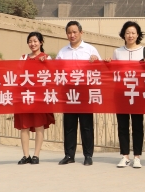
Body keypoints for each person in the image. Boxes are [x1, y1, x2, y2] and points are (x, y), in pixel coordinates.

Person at [56, 21, 101, 166]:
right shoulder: (62, 52)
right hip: (68, 93)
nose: (72, 35)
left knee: (86, 125)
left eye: (75, 32)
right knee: (69, 125)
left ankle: (88, 155)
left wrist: (96, 61)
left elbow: (100, 70)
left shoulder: (90, 49)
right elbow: (55, 70)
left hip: (85, 92)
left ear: (81, 33)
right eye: (69, 32)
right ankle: (69, 155)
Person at [112, 21, 145, 169]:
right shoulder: (117, 52)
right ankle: (125, 156)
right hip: (121, 93)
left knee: (137, 126)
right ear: (123, 34)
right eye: (128, 32)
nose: (130, 35)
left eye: (133, 33)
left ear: (138, 35)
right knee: (122, 126)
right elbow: (113, 72)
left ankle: (137, 157)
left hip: (138, 93)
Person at [15, 32, 56, 165]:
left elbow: (54, 73)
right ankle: (25, 155)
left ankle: (36, 155)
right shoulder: (23, 58)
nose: (32, 44)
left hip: (39, 98)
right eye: (30, 41)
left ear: (41, 42)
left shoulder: (46, 57)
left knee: (39, 126)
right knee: (24, 127)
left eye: (35, 41)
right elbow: (17, 74)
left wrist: (46, 63)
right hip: (25, 96)